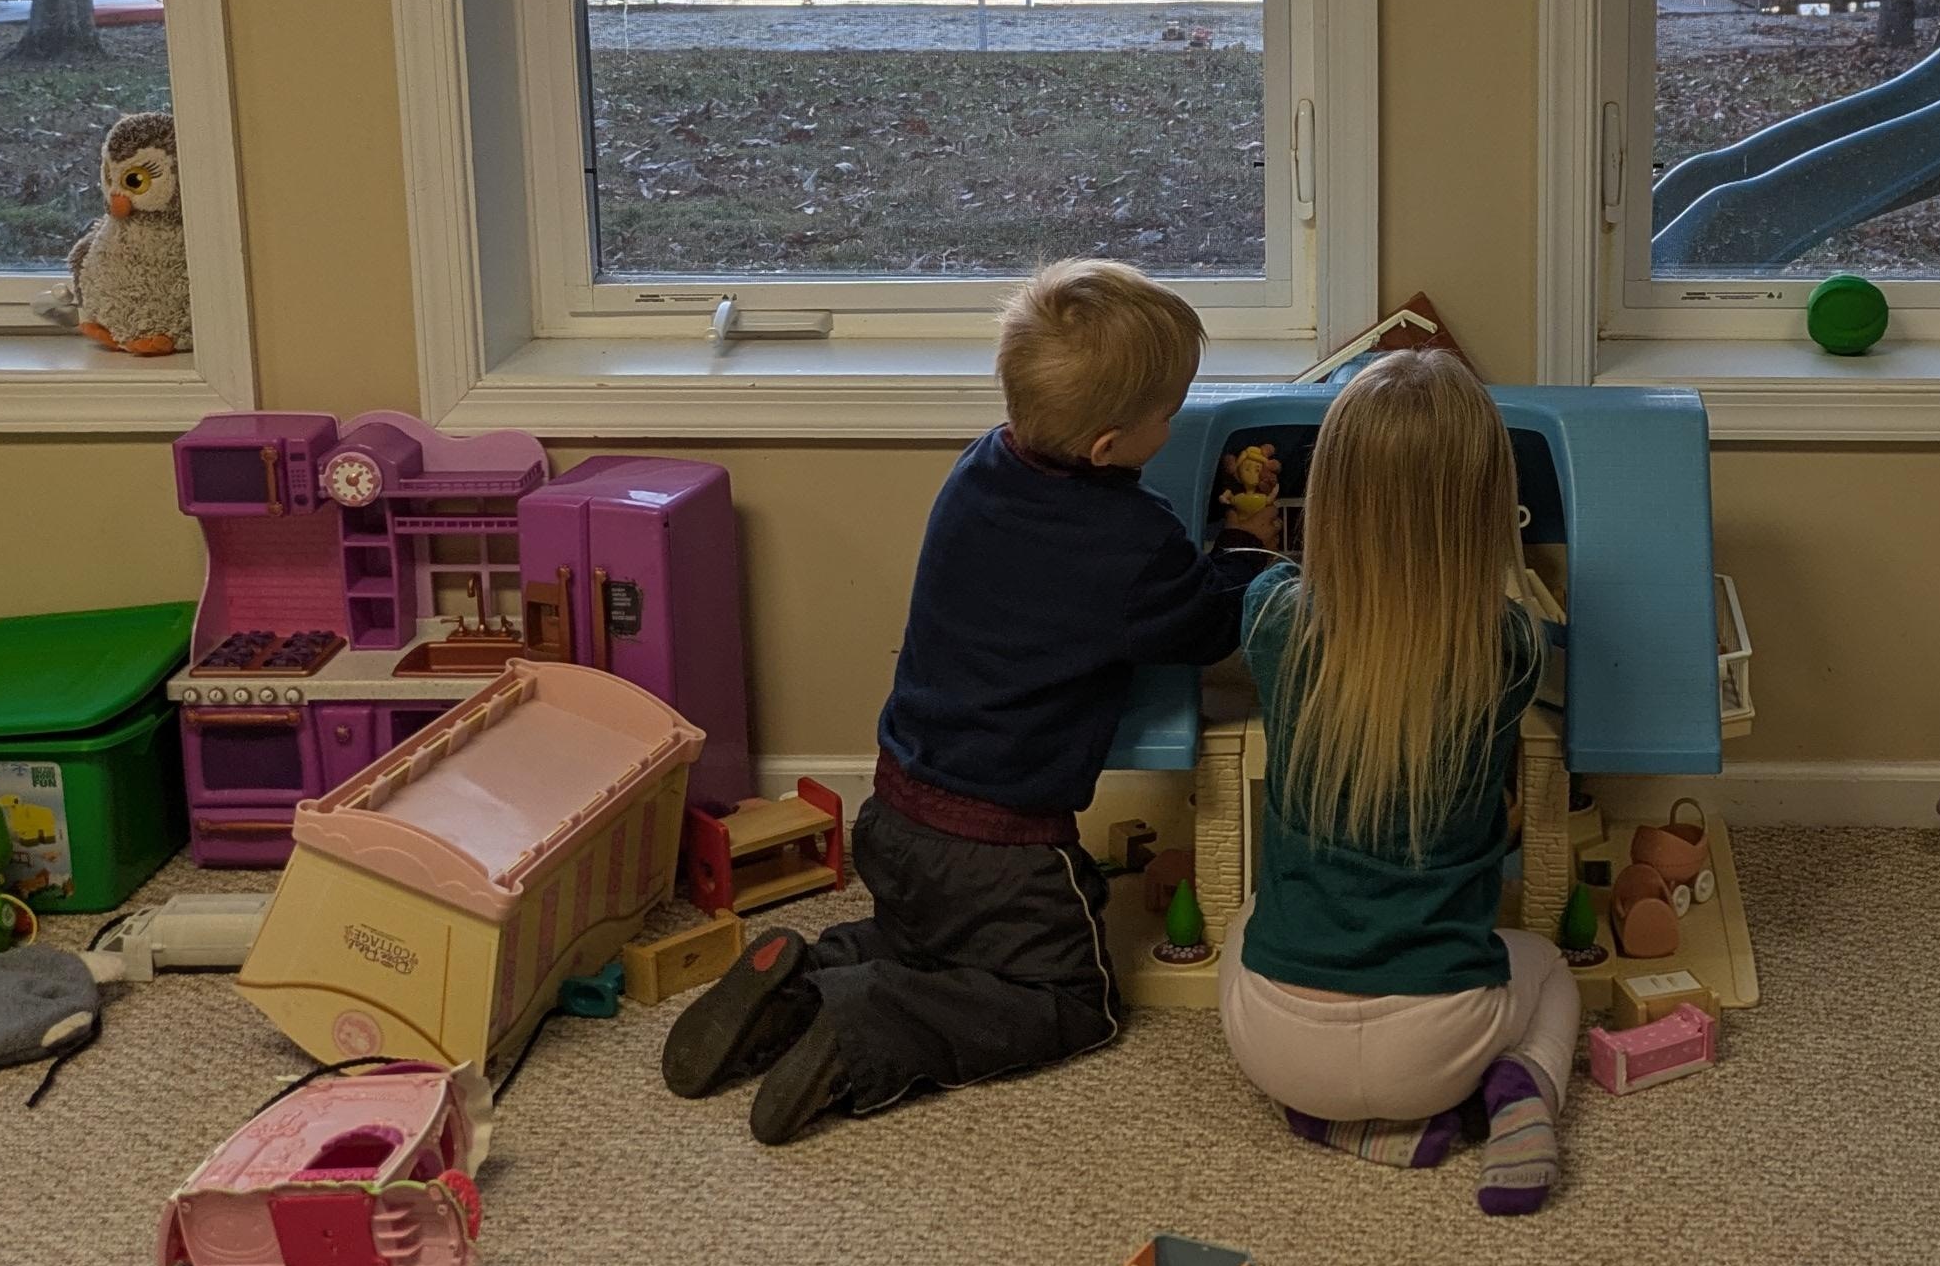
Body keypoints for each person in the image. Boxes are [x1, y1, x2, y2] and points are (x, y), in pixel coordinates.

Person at [665, 258, 1278, 1143]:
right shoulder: (1129, 543)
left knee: (937, 948)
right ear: (1108, 448)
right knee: (1071, 1000)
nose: (1176, 420)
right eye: (1169, 412)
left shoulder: (982, 465)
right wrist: (1249, 547)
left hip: (896, 816)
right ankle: (864, 1029)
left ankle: (803, 977)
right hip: (1003, 853)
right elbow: (1209, 623)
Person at [1218, 350, 1576, 1216]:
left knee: (1240, 925)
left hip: (1280, 1044)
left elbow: (1273, 585)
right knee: (1553, 970)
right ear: (1488, 509)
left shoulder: (1271, 615)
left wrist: (1254, 537)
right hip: (1440, 1043)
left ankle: (1339, 1123)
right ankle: (1524, 1095)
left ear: (1331, 495)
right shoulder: (1510, 647)